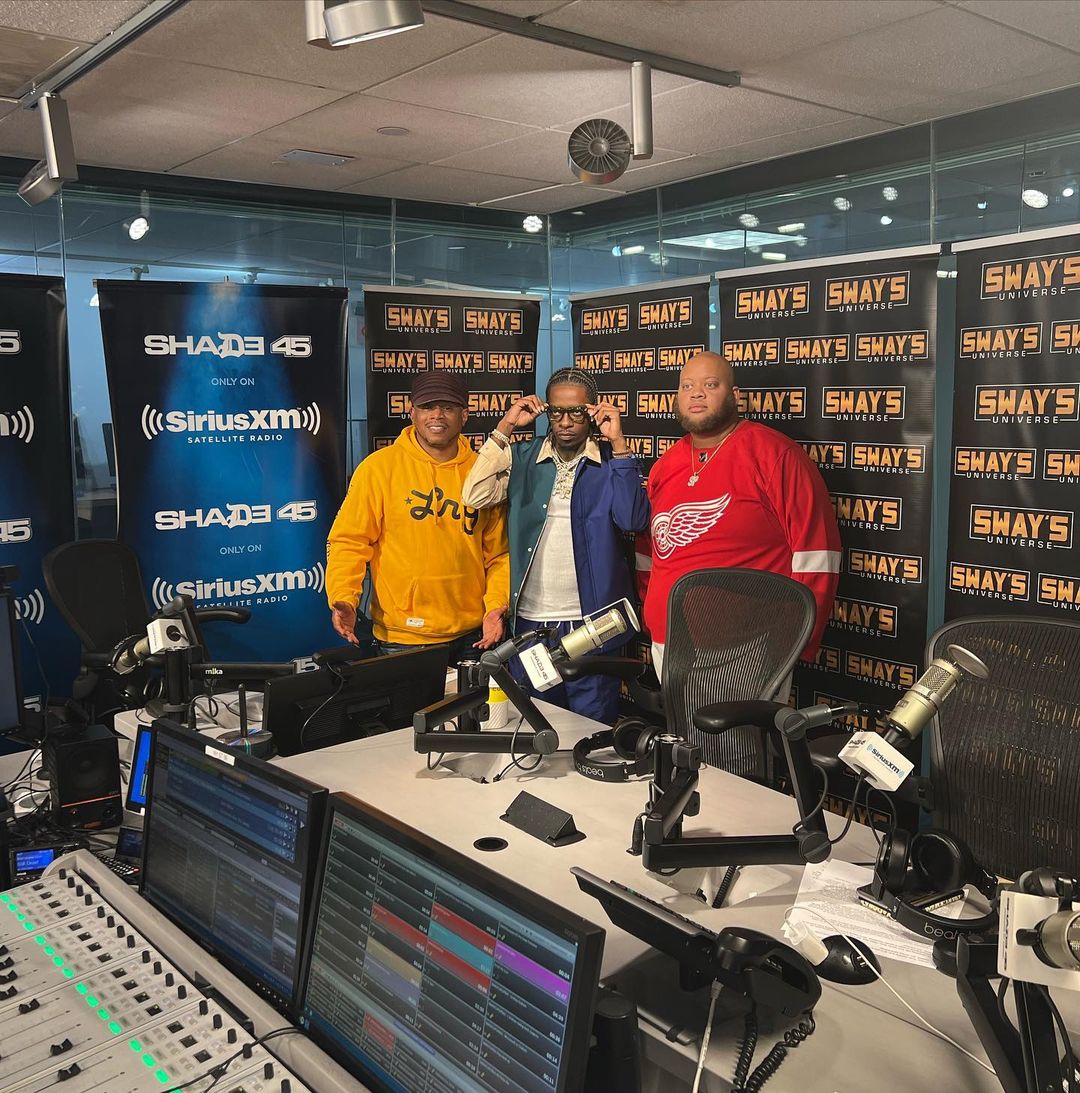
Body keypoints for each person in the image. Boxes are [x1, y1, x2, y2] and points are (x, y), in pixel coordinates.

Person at [643, 350, 840, 724]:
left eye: (710, 384)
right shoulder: (666, 464)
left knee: (741, 752)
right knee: (687, 746)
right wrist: (651, 613)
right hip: (669, 641)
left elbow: (817, 552)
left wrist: (797, 639)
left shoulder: (775, 454)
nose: (696, 393)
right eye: (687, 386)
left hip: (747, 646)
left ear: (735, 395)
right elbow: (651, 551)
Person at [463, 368, 649, 723]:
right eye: (557, 412)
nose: (565, 422)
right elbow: (474, 495)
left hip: (594, 623)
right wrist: (505, 427)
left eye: (576, 412)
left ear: (592, 412)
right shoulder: (522, 456)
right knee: (538, 725)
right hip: (532, 622)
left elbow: (633, 520)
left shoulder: (610, 461)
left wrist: (620, 444)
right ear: (546, 411)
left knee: (592, 726)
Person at [326, 372, 509, 666]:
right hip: (402, 638)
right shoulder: (378, 469)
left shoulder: (483, 473)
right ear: (412, 413)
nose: (437, 415)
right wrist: (344, 597)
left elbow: (499, 555)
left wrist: (496, 606)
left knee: (476, 700)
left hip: (475, 635)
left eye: (448, 407)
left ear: (464, 415)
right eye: (427, 407)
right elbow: (349, 542)